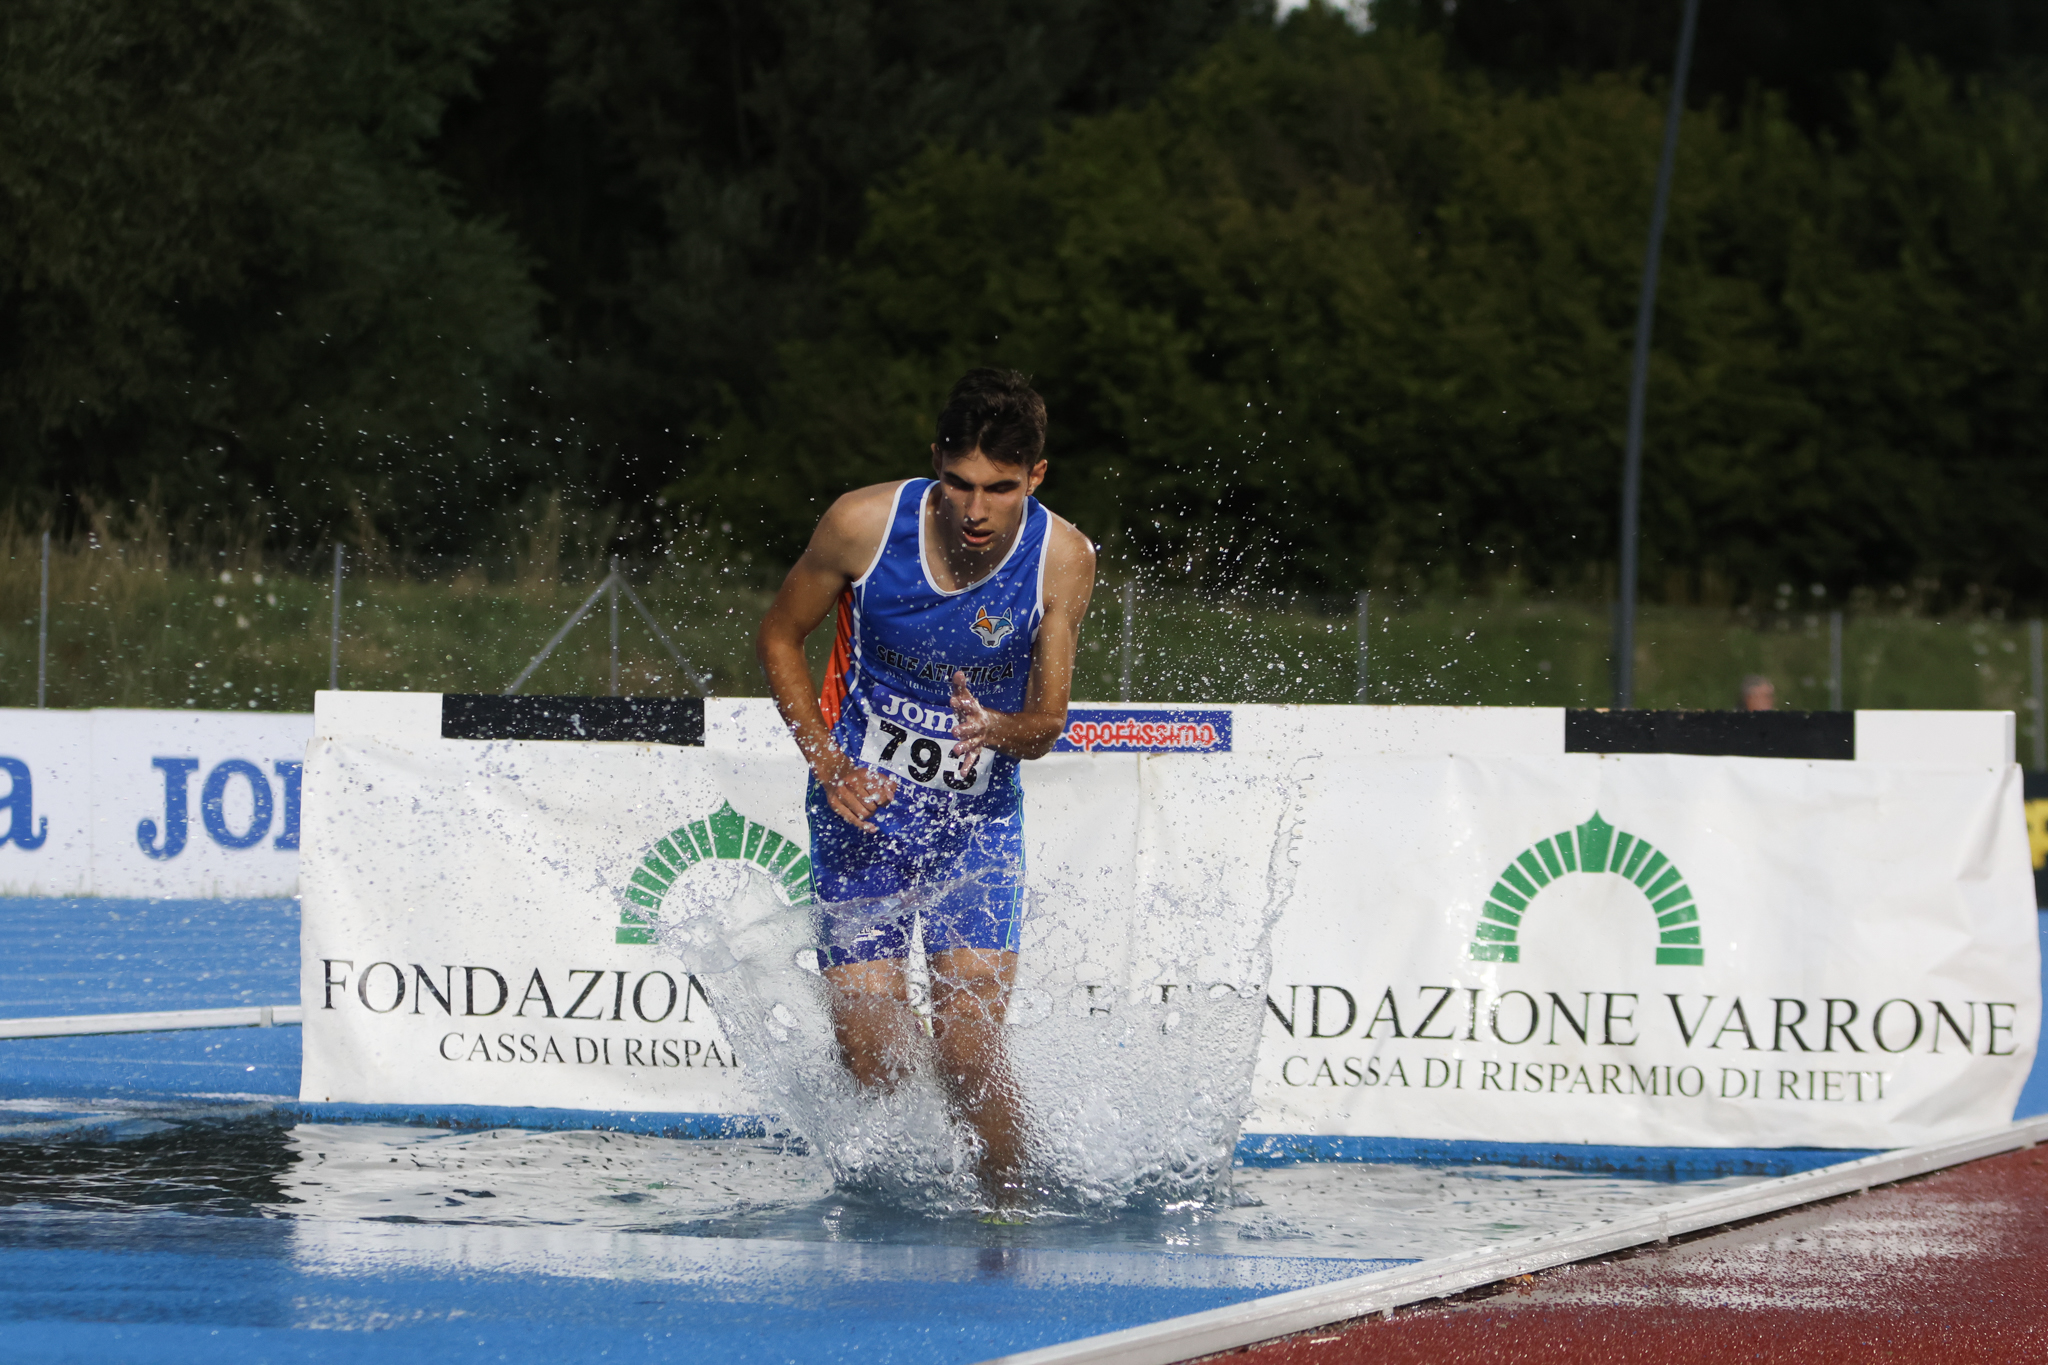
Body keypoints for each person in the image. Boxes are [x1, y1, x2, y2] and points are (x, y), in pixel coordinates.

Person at [755, 368, 1097, 1205]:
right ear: (935, 460)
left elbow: (1047, 724)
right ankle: (916, 1189)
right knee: (871, 1056)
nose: (977, 510)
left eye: (1000, 489)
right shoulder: (863, 525)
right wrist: (827, 763)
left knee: (968, 1050)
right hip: (862, 811)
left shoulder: (1062, 558)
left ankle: (1011, 1205)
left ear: (1035, 477)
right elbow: (779, 635)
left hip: (975, 826)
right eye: (959, 483)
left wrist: (997, 728)